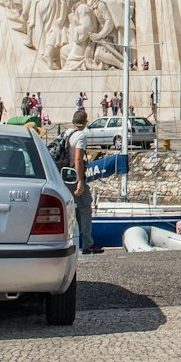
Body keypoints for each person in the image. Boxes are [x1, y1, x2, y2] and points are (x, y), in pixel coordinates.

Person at [69, 108, 98, 255]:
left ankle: (72, 242)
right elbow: (78, 158)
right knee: (86, 208)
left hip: (64, 177)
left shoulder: (66, 133)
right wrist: (80, 180)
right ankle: (87, 244)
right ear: (86, 122)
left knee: (72, 211)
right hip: (75, 177)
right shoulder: (80, 136)